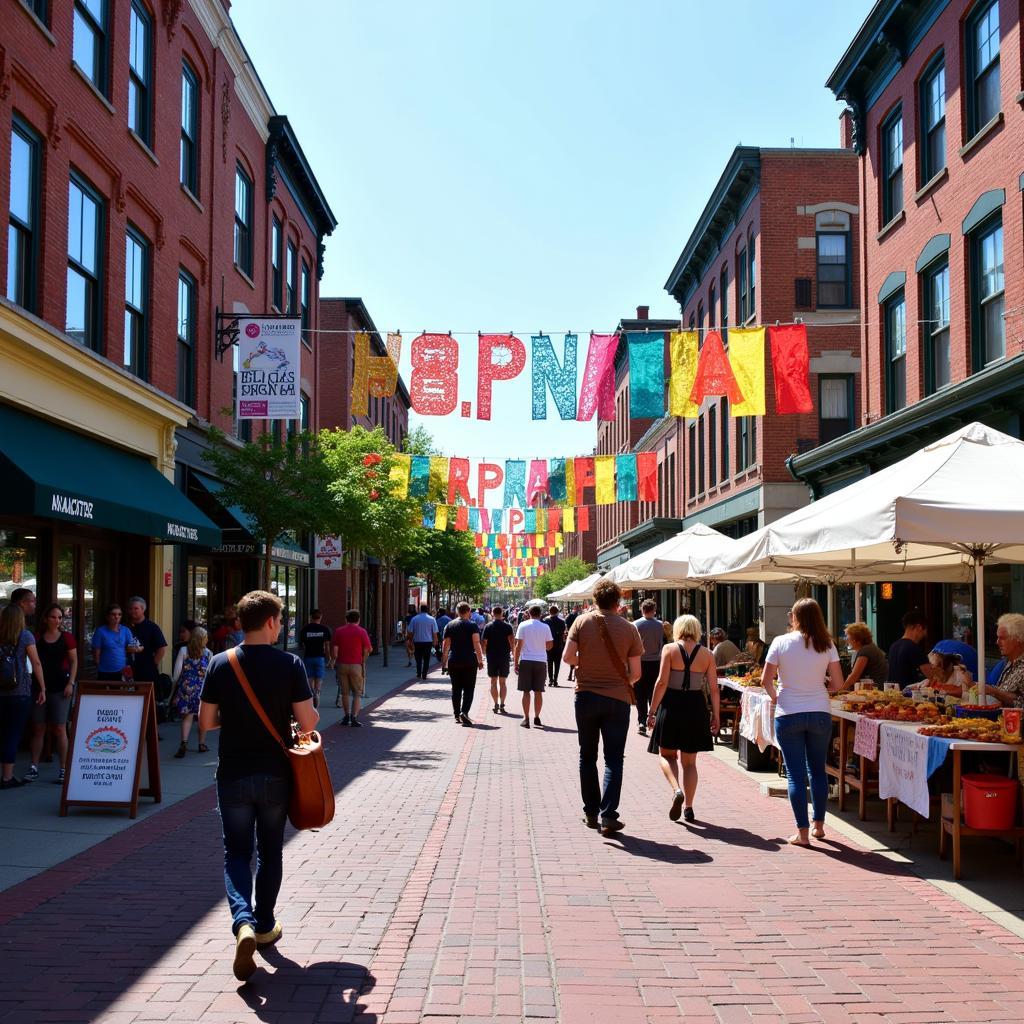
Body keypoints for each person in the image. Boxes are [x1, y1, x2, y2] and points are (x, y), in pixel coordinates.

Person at [198, 590, 318, 982]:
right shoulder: (290, 663)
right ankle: (264, 924)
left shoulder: (220, 662)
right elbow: (309, 720)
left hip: (232, 771)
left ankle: (243, 923)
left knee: (236, 853)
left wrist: (234, 720)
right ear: (269, 622)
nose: (281, 626)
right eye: (280, 620)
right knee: (269, 851)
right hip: (275, 773)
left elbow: (206, 722)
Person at [760, 598, 844, 847]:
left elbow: (766, 680)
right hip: (819, 710)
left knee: (795, 775)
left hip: (788, 712)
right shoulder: (826, 643)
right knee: (818, 771)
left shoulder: (780, 642)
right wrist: (822, 681)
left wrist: (777, 698)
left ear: (794, 617)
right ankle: (819, 826)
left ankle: (803, 833)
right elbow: (839, 684)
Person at [563, 579, 643, 836]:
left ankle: (590, 812)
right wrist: (619, 681)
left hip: (585, 695)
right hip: (618, 700)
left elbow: (567, 658)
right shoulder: (629, 629)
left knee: (587, 756)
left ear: (595, 600)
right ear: (618, 602)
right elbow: (637, 673)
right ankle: (609, 814)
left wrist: (586, 664)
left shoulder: (581, 622)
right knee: (614, 759)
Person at [646, 614, 720, 822]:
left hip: (672, 704)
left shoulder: (669, 649)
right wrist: (716, 715)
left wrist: (651, 711)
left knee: (667, 754)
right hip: (695, 706)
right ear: (697, 630)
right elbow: (714, 689)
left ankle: (676, 789)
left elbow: (661, 682)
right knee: (690, 762)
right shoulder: (707, 654)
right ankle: (689, 806)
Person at [26, 603, 77, 784]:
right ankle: (33, 766)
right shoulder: (37, 637)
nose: (57, 620)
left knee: (60, 728)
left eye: (60, 617)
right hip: (40, 687)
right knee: (38, 728)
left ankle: (64, 768)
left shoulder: (67, 638)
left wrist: (71, 683)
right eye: (54, 617)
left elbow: (74, 661)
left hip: (61, 687)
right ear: (46, 619)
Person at [0, 603, 46, 789]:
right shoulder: (25, 636)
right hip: (19, 691)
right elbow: (35, 662)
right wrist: (42, 687)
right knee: (12, 733)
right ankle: (7, 777)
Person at [171, 626, 212, 757]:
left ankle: (184, 742)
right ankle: (201, 744)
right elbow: (210, 674)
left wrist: (174, 686)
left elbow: (176, 674)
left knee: (187, 717)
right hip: (202, 688)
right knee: (202, 717)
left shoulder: (183, 650)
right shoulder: (209, 653)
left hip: (186, 688)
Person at [442, 602, 483, 726]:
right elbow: (476, 643)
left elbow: (446, 646)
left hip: (454, 660)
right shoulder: (472, 625)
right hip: (470, 661)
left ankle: (456, 714)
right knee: (469, 688)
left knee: (456, 688)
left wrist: (444, 663)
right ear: (469, 611)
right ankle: (464, 712)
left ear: (457, 611)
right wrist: (480, 660)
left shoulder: (450, 625)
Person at [331, 610, 372, 726]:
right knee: (357, 693)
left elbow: (334, 651)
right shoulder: (362, 631)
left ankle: (346, 716)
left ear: (346, 619)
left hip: (342, 665)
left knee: (344, 693)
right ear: (358, 619)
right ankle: (354, 718)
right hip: (356, 665)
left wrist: (334, 661)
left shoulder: (339, 631)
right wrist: (363, 659)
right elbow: (368, 649)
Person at [515, 606, 553, 728]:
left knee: (526, 691)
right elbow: (549, 646)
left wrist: (516, 662)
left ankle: (526, 718)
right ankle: (537, 716)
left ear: (529, 613)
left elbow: (518, 646)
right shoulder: (545, 627)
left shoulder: (523, 625)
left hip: (526, 660)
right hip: (540, 661)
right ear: (540, 614)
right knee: (538, 691)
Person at [632, 600, 665, 737]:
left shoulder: (635, 625)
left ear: (642, 609)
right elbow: (661, 644)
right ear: (654, 609)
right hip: (656, 662)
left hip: (640, 662)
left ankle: (641, 722)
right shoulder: (660, 625)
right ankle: (653, 720)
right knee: (654, 692)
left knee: (640, 695)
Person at [91, 604, 142, 681]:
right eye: (113, 614)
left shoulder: (125, 630)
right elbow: (96, 654)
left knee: (121, 693)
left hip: (123, 670)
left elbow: (131, 647)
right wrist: (98, 667)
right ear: (107, 617)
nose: (116, 616)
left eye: (119, 614)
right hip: (105, 672)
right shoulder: (100, 631)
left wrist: (139, 648)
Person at [984, 613, 1024, 708]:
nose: (997, 642)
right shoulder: (1009, 662)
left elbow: (1021, 703)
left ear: (1018, 639)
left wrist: (994, 691)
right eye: (998, 637)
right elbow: (1005, 691)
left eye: (1003, 638)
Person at [126, 596, 168, 683]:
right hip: (127, 669)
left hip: (146, 671)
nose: (132, 611)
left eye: (136, 608)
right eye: (130, 608)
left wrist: (152, 665)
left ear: (143, 609)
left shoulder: (152, 627)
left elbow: (161, 649)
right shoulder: (124, 627)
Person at [482, 606, 514, 713]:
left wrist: (484, 653)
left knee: (493, 681)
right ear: (502, 613)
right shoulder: (508, 626)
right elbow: (512, 642)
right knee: (503, 682)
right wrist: (513, 653)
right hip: (504, 656)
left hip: (492, 657)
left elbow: (484, 642)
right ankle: (502, 704)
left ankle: (495, 703)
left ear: (492, 613)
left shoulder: (488, 626)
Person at [887, 610, 931, 686]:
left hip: (893, 692)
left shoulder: (894, 646)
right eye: (925, 629)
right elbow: (931, 675)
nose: (925, 634)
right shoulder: (913, 647)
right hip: (909, 694)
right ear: (919, 627)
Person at [298, 610, 331, 709]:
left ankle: (311, 692)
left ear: (310, 617)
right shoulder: (324, 629)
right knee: (319, 676)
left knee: (309, 676)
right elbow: (327, 645)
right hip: (320, 657)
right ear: (320, 617)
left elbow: (303, 645)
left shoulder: (305, 629)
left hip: (308, 656)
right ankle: (317, 692)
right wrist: (328, 656)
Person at [843, 622, 890, 688]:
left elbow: (854, 676)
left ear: (856, 639)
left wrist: (840, 691)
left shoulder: (865, 650)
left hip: (874, 691)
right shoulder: (871, 648)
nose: (846, 640)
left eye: (848, 637)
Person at [408, 604, 439, 679]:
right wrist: (435, 641)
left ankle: (419, 673)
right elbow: (435, 633)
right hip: (428, 642)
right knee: (426, 659)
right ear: (427, 609)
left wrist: (410, 641)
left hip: (417, 642)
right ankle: (424, 674)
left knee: (418, 658)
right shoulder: (432, 619)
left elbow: (410, 632)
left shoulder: (414, 619)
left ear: (420, 609)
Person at [544, 605, 567, 687]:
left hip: (548, 644)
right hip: (558, 645)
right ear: (557, 612)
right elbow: (564, 633)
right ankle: (555, 680)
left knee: (549, 663)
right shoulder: (562, 622)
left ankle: (550, 680)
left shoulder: (546, 621)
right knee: (557, 664)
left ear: (549, 612)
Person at [435, 608, 452, 673]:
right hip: (449, 638)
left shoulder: (438, 620)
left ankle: (444, 667)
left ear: (439, 613)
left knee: (443, 652)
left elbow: (436, 630)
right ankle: (447, 666)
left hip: (441, 638)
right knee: (448, 652)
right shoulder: (449, 619)